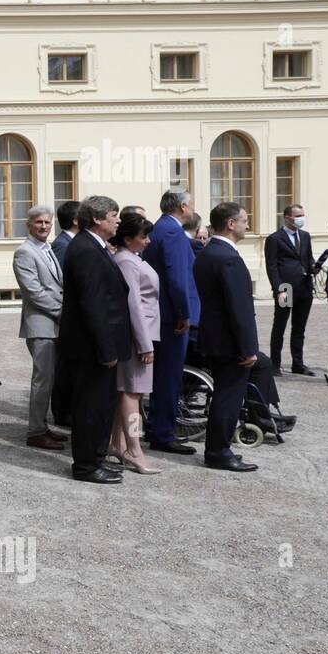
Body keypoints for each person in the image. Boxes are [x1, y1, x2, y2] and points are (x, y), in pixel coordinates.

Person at [59, 196, 131, 484]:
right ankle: (86, 465)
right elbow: (93, 305)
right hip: (92, 348)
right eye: (114, 215)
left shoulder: (93, 246)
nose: (118, 220)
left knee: (101, 405)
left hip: (98, 345)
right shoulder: (86, 249)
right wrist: (106, 349)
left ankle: (96, 458)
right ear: (98, 219)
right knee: (91, 407)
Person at [193, 202, 260, 472]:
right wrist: (248, 348)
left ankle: (217, 448)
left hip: (214, 336)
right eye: (244, 220)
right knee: (228, 397)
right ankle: (219, 451)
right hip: (229, 342)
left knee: (224, 394)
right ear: (231, 224)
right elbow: (239, 309)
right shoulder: (227, 257)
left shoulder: (209, 252)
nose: (247, 224)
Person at [143, 190, 201, 457]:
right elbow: (177, 278)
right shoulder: (173, 232)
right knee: (168, 377)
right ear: (183, 206)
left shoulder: (160, 227)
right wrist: (183, 314)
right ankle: (163, 433)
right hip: (171, 317)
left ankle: (158, 427)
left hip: (162, 313)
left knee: (163, 376)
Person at [110, 214, 161, 474]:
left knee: (129, 392)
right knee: (132, 393)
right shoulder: (126, 261)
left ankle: (119, 444)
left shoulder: (130, 258)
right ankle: (133, 448)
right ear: (128, 239)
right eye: (144, 237)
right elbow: (134, 305)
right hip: (137, 337)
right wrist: (144, 343)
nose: (148, 241)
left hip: (141, 335)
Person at [12, 206, 66, 452]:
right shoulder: (24, 252)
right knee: (42, 380)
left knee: (50, 379)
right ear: (29, 225)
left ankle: (42, 426)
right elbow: (34, 292)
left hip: (52, 324)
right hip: (41, 325)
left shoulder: (47, 248)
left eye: (47, 222)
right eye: (38, 223)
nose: (44, 226)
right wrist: (62, 312)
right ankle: (35, 431)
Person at [265, 205, 319, 376]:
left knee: (299, 328)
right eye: (298, 215)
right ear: (287, 217)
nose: (301, 218)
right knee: (280, 326)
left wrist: (313, 267)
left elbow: (307, 258)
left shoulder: (305, 236)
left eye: (303, 215)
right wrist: (279, 288)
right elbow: (272, 267)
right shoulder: (275, 238)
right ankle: (275, 364)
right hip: (285, 289)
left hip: (304, 288)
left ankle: (298, 363)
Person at [50, 200, 80, 428]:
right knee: (63, 367)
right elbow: (62, 282)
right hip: (64, 313)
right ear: (76, 220)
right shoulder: (63, 244)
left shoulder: (71, 242)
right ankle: (62, 412)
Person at [52, 201, 79, 269]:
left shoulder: (75, 241)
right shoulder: (62, 244)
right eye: (85, 216)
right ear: (75, 221)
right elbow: (60, 273)